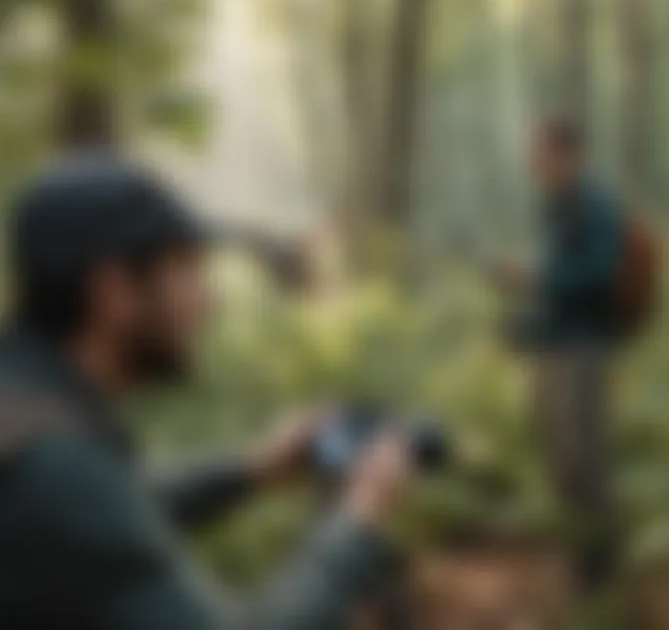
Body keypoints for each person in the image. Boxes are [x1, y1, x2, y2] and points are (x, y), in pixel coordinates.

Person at [0, 157, 414, 629]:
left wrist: (251, 470)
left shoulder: (23, 409)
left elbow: (123, 505)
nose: (208, 302)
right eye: (186, 270)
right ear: (112, 292)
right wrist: (357, 525)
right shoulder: (55, 464)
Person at [491, 116, 624, 588]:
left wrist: (534, 276)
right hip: (551, 349)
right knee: (562, 461)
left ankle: (602, 570)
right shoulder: (553, 207)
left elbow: (596, 276)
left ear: (570, 155)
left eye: (542, 153)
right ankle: (583, 559)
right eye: (533, 154)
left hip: (582, 352)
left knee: (585, 460)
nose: (534, 163)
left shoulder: (598, 207)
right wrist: (521, 325)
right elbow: (553, 283)